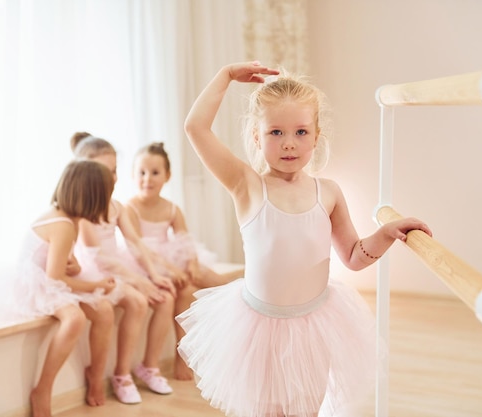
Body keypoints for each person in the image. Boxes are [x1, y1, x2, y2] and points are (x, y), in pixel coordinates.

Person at [178, 61, 433, 417]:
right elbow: (195, 127)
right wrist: (225, 76)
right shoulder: (248, 186)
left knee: (306, 411)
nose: (289, 144)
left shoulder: (328, 193)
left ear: (316, 136)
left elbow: (355, 257)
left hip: (315, 325)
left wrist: (386, 233)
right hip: (257, 328)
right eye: (275, 133)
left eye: (300, 132)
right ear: (257, 136)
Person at [70, 132, 177, 404]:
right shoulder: (82, 210)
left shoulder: (117, 207)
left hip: (117, 270)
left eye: (115, 170)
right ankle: (120, 375)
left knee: (164, 296)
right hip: (93, 273)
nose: (114, 178)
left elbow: (135, 243)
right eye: (107, 171)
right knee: (138, 302)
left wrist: (152, 275)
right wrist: (137, 282)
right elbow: (98, 259)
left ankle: (145, 367)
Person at [125, 141, 244, 380]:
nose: (147, 178)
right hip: (144, 265)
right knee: (186, 285)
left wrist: (189, 263)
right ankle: (241, 300)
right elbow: (139, 248)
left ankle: (240, 299)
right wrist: (171, 269)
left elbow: (185, 241)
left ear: (167, 176)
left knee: (192, 282)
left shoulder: (171, 208)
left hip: (171, 260)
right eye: (142, 172)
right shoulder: (130, 208)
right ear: (133, 175)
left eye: (155, 173)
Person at [18, 160, 118, 417]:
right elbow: (54, 278)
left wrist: (73, 266)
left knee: (104, 310)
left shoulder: (68, 220)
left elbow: (62, 266)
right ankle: (43, 389)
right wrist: (94, 284)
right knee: (73, 318)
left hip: (50, 280)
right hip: (36, 284)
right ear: (92, 197)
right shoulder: (63, 225)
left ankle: (95, 376)